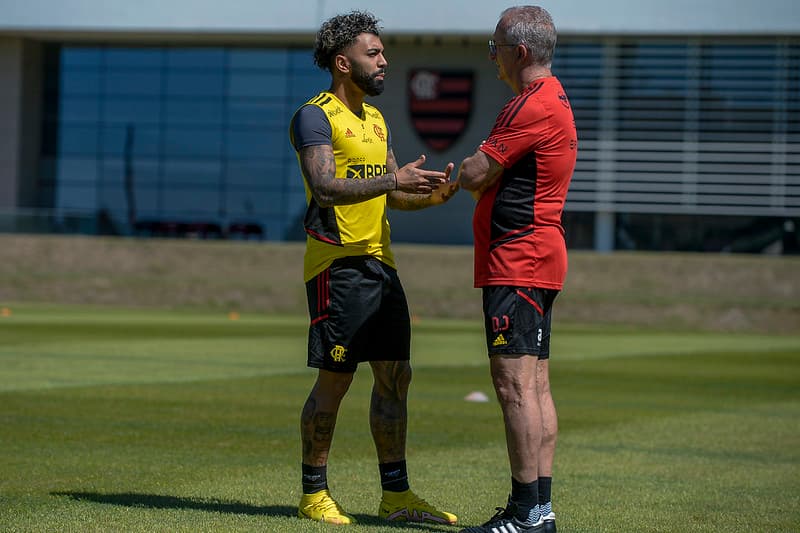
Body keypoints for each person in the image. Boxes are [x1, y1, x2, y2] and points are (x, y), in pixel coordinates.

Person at [288, 10, 459, 527]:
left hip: (381, 264)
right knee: (335, 381)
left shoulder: (377, 119)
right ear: (343, 63)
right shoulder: (314, 116)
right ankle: (314, 493)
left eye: (383, 52)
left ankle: (396, 497)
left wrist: (428, 197)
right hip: (337, 266)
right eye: (374, 53)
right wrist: (393, 182)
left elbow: (389, 194)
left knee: (395, 377)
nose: (385, 61)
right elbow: (325, 189)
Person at [456, 6, 577, 533]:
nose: (493, 56)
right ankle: (536, 508)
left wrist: (460, 174)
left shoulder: (531, 105)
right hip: (533, 256)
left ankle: (528, 511)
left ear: (519, 53)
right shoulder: (551, 98)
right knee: (535, 383)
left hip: (518, 259)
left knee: (514, 386)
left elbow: (477, 171)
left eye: (497, 47)